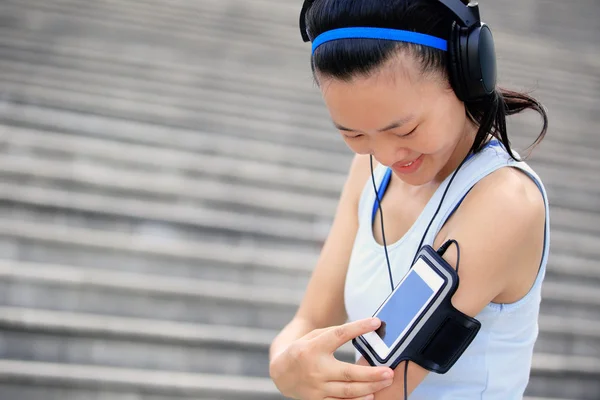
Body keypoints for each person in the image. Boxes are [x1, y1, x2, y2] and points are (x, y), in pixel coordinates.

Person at [269, 0, 549, 399]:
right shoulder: (370, 169)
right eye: (355, 134)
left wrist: (294, 375)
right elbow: (310, 321)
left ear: (465, 74)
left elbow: (376, 387)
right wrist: (284, 363)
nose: (385, 156)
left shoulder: (504, 203)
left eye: (405, 130)